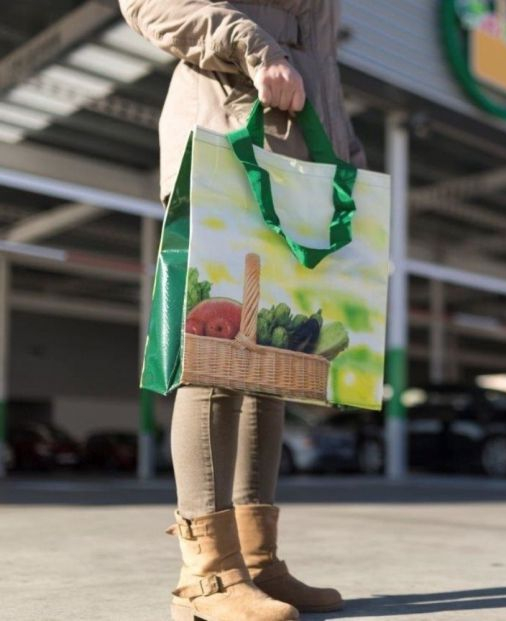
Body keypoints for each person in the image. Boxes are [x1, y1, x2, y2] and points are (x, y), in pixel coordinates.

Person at [118, 1, 366, 619]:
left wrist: (344, 156)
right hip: (226, 145)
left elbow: (322, 69)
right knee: (216, 357)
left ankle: (257, 562)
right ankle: (206, 577)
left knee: (272, 371)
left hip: (300, 168)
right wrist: (257, 47)